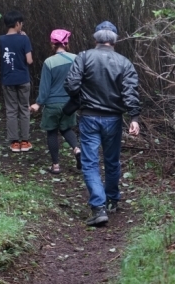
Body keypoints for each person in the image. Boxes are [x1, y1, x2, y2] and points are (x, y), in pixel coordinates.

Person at [64, 21, 141, 226]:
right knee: (112, 161)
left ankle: (98, 208)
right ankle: (112, 201)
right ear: (115, 40)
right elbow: (130, 92)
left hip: (89, 117)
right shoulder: (124, 62)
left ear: (96, 38)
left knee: (90, 162)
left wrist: (80, 98)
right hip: (114, 119)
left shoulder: (84, 56)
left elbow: (71, 84)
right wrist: (134, 118)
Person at [30, 29, 82, 174]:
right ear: (66, 43)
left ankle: (56, 166)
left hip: (52, 104)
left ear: (52, 44)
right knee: (66, 129)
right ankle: (77, 150)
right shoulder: (76, 59)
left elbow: (45, 87)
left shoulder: (49, 62)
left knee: (52, 132)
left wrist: (38, 103)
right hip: (69, 103)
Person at [0, 10, 34, 152]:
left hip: (8, 79)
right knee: (24, 109)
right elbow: (29, 60)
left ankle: (14, 142)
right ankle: (25, 141)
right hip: (23, 78)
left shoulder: (1, 39)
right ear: (17, 23)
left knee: (11, 110)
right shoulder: (24, 39)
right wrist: (25, 38)